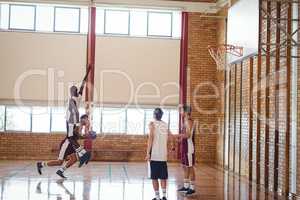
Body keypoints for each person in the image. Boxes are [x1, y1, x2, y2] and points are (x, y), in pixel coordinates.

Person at [146, 108, 173, 200]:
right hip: (163, 156)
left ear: (154, 115)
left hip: (154, 155)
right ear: (161, 115)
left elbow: (150, 139)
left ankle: (157, 197)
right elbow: (170, 137)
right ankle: (164, 196)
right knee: (163, 177)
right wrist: (171, 148)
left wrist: (148, 153)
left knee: (154, 178)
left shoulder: (152, 124)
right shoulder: (165, 125)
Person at [177, 105, 196, 195]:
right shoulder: (185, 121)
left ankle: (192, 188)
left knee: (190, 167)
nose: (180, 112)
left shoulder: (189, 121)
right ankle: (186, 186)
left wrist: (179, 135)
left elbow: (188, 135)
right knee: (185, 167)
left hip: (189, 148)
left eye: (181, 110)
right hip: (185, 147)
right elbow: (185, 135)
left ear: (185, 112)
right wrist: (180, 139)